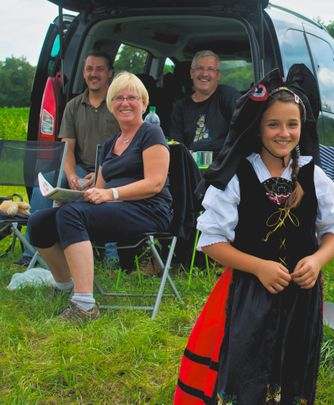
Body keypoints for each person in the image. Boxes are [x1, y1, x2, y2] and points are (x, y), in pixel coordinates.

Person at [174, 65, 334, 404]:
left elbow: (333, 231)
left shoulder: (314, 175)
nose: (284, 133)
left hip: (301, 295)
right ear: (258, 127)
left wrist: (317, 259)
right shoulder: (238, 176)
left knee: (292, 361)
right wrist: (258, 267)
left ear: (302, 127)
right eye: (274, 124)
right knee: (248, 361)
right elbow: (211, 241)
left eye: (292, 124)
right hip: (250, 292)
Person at [26, 72, 173, 322]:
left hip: (148, 209)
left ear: (143, 103)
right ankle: (64, 285)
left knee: (72, 216)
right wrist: (72, 196)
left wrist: (110, 194)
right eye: (118, 98)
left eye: (132, 97)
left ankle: (84, 305)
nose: (125, 103)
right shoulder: (109, 144)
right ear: (110, 104)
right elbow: (98, 190)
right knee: (40, 221)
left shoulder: (151, 134)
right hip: (115, 209)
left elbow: (155, 183)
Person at [19, 50, 121, 266]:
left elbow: (126, 147)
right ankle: (30, 253)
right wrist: (72, 174)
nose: (94, 74)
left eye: (99, 69)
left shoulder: (118, 104)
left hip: (113, 170)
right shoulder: (73, 106)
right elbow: (67, 147)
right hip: (83, 168)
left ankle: (111, 257)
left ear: (110, 73)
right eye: (89, 69)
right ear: (84, 72)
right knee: (44, 184)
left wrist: (103, 172)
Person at [169, 50, 241, 152]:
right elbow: (177, 147)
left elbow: (242, 135)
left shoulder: (229, 97)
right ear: (192, 73)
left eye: (211, 69)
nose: (204, 74)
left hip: (223, 164)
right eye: (199, 68)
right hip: (191, 165)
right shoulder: (180, 107)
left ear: (218, 75)